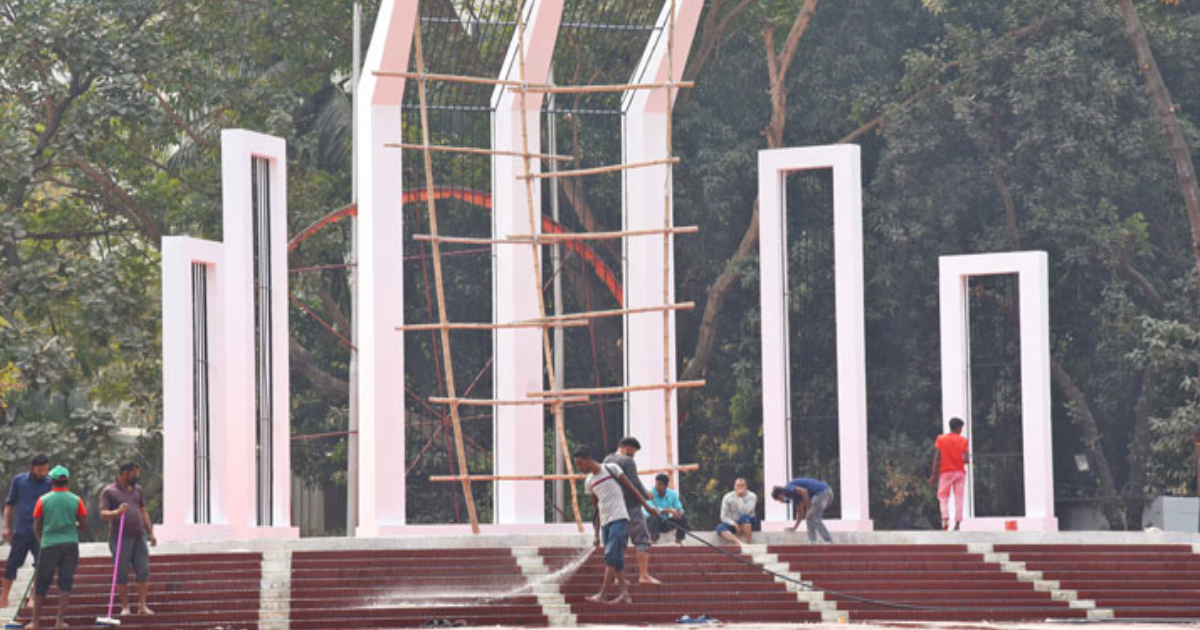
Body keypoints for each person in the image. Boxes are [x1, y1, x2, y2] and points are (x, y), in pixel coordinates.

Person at [574, 450, 658, 605]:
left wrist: (647, 506)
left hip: (619, 518)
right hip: (605, 523)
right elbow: (597, 508)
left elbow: (632, 489)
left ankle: (603, 593)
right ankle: (625, 595)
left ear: (588, 458)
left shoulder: (611, 468)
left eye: (580, 463)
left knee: (611, 554)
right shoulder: (589, 481)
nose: (579, 467)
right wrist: (596, 534)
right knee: (616, 558)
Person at [29, 465, 87, 630]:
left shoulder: (43, 500)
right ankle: (60, 621)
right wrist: (69, 525)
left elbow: (37, 526)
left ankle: (35, 622)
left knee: (42, 583)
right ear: (67, 481)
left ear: (52, 481)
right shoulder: (77, 500)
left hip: (49, 544)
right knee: (65, 581)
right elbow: (83, 525)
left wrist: (42, 541)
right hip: (70, 544)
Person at [99, 462, 157, 616]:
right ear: (124, 473)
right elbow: (103, 514)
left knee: (143, 570)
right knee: (121, 572)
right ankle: (125, 607)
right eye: (134, 473)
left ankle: (142, 606)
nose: (136, 477)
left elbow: (143, 510)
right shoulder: (109, 491)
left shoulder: (138, 490)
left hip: (139, 536)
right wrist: (117, 512)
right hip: (119, 537)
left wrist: (150, 532)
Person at [603, 437, 660, 585]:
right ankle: (644, 575)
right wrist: (647, 495)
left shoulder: (607, 460)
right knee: (642, 539)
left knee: (619, 543)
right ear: (628, 448)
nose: (633, 455)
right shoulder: (627, 461)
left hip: (613, 508)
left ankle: (617, 578)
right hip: (631, 506)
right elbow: (634, 484)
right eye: (633, 452)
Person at [2, 454, 51, 608]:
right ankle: (4, 598)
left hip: (41, 533)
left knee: (41, 565)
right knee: (12, 564)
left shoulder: (50, 483)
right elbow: (10, 504)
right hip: (22, 530)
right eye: (39, 470)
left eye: (45, 470)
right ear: (31, 468)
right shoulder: (19, 481)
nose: (42, 473)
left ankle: (32, 597)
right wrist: (6, 526)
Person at [930, 417, 970, 531]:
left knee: (942, 497)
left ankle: (945, 519)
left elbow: (936, 458)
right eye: (961, 427)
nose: (961, 430)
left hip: (945, 472)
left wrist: (933, 475)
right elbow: (966, 460)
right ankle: (957, 523)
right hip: (959, 472)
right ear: (957, 428)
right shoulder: (963, 441)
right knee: (959, 497)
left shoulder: (941, 439)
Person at [771, 477, 835, 544]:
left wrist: (808, 509)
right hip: (824, 493)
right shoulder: (794, 496)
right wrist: (795, 527)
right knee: (809, 517)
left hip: (822, 492)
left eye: (779, 500)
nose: (781, 501)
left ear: (780, 495)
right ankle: (812, 541)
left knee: (814, 517)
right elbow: (800, 512)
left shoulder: (788, 487)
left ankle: (829, 541)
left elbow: (804, 491)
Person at [645, 474, 688, 545]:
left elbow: (679, 507)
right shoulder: (651, 493)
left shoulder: (672, 494)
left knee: (683, 518)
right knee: (654, 517)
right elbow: (650, 509)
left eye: (660, 485)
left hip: (665, 522)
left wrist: (678, 513)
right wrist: (668, 510)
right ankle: (653, 541)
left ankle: (679, 540)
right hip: (651, 523)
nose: (657, 487)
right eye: (656, 484)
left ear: (666, 485)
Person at [716, 478, 758, 545]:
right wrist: (734, 524)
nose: (740, 487)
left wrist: (739, 497)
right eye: (738, 485)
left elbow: (746, 512)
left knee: (744, 517)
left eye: (742, 485)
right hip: (734, 523)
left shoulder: (752, 496)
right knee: (720, 527)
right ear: (734, 486)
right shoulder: (727, 497)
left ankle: (749, 543)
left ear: (746, 486)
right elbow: (723, 517)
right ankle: (740, 543)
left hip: (748, 522)